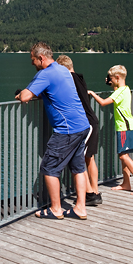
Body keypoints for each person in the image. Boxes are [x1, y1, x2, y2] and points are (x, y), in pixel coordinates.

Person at [16, 42, 91, 220]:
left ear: (41, 58)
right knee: (78, 167)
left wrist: (20, 94)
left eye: (33, 59)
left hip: (66, 130)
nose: (32, 63)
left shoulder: (46, 74)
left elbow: (26, 97)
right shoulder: (63, 70)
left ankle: (56, 209)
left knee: (49, 168)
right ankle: (80, 207)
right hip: (82, 125)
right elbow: (54, 91)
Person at [88, 65, 133, 196]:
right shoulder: (124, 89)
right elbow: (115, 91)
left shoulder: (120, 92)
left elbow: (103, 102)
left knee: (123, 156)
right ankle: (126, 183)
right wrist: (111, 83)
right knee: (123, 156)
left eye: (111, 78)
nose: (109, 80)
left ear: (117, 77)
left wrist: (92, 93)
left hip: (124, 128)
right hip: (127, 127)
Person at [55, 55, 102, 206]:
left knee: (78, 159)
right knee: (90, 157)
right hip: (92, 120)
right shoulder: (80, 78)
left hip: (85, 123)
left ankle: (90, 195)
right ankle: (94, 191)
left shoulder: (69, 80)